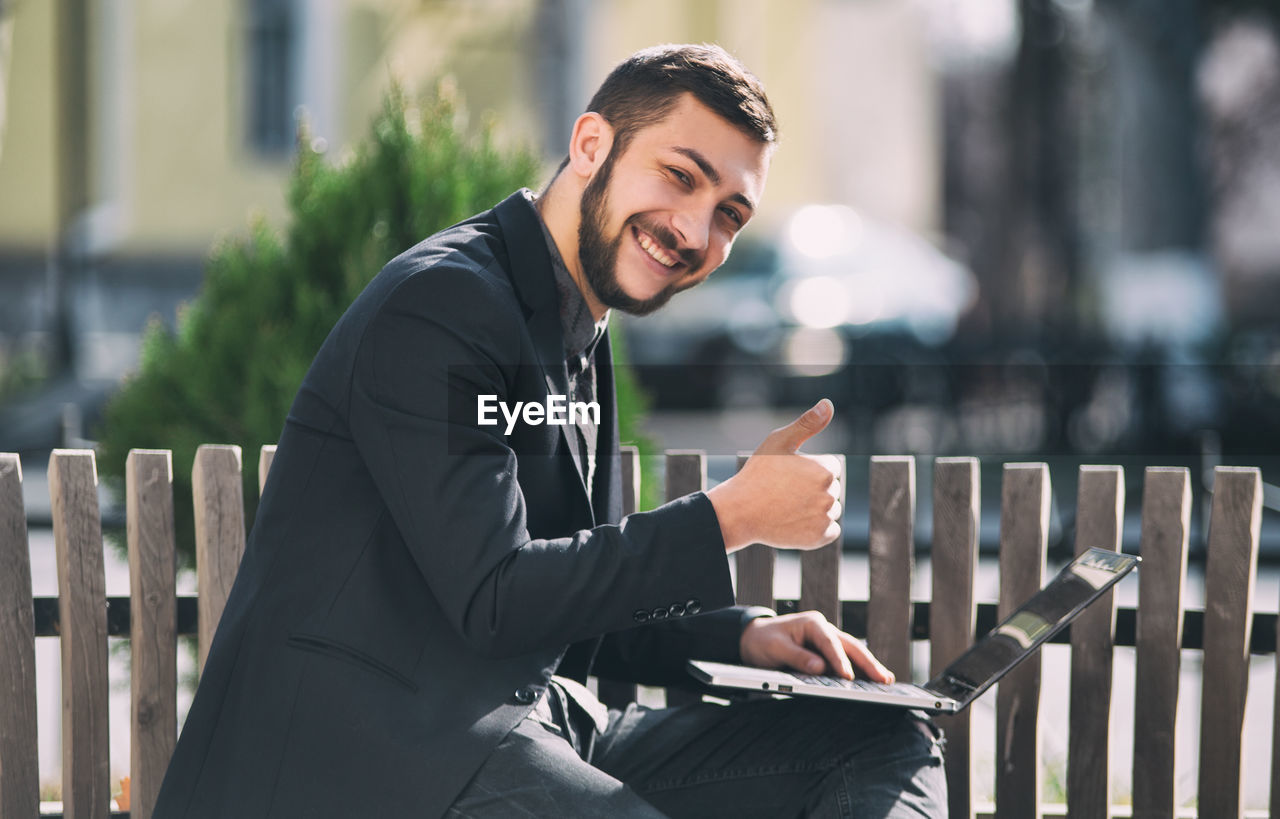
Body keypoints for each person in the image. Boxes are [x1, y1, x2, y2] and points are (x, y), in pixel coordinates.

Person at [154, 44, 946, 818]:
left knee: (881, 738)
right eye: (680, 176)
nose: (696, 233)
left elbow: (569, 594)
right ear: (591, 145)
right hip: (367, 757)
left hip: (516, 726)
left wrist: (745, 637)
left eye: (728, 215)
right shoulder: (442, 306)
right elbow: (497, 597)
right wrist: (728, 517)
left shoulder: (578, 329)